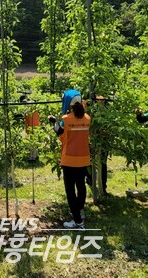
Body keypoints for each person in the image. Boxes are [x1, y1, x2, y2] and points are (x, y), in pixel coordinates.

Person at [48, 89, 91, 229]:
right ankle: (80, 211)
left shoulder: (66, 120)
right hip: (83, 159)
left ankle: (78, 221)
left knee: (70, 191)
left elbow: (59, 133)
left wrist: (53, 121)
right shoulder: (87, 119)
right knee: (81, 187)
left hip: (69, 160)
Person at [19, 94, 40, 162]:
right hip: (36, 124)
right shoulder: (32, 104)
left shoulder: (28, 105)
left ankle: (32, 157)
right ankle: (36, 155)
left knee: (32, 142)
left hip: (32, 125)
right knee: (35, 141)